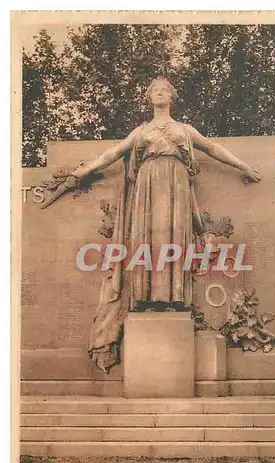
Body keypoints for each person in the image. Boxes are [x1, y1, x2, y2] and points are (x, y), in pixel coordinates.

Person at [46, 77, 261, 373]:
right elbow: (112, 154)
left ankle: (173, 299)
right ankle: (148, 298)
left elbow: (212, 148)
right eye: (154, 91)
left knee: (174, 240)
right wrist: (82, 171)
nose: (159, 93)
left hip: (176, 185)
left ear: (171, 97)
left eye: (163, 90)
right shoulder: (142, 131)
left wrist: (243, 166)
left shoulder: (183, 130)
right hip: (147, 186)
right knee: (147, 242)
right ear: (150, 98)